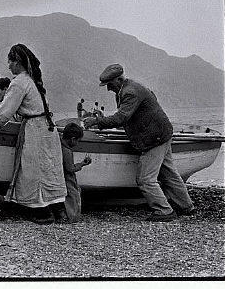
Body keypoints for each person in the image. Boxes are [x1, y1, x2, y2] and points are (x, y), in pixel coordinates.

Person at [83, 64, 194, 221]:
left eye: (109, 84)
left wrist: (96, 121)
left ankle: (164, 211)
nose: (108, 89)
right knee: (169, 174)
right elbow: (128, 115)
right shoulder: (127, 88)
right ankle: (186, 206)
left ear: (119, 79)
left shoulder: (129, 92)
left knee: (145, 179)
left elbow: (121, 118)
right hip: (162, 133)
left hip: (154, 139)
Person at [0, 44, 67, 225]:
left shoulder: (20, 82)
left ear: (18, 62)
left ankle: (41, 213)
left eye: (10, 61)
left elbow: (5, 110)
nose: (8, 66)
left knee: (32, 170)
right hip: (47, 128)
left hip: (35, 130)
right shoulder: (33, 80)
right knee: (51, 170)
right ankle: (60, 212)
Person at [60, 123, 92, 223]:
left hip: (61, 177)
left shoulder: (60, 145)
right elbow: (70, 168)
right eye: (77, 141)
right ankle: (72, 217)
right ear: (73, 139)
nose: (77, 143)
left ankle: (67, 216)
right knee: (73, 195)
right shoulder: (67, 151)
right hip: (67, 179)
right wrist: (82, 164)